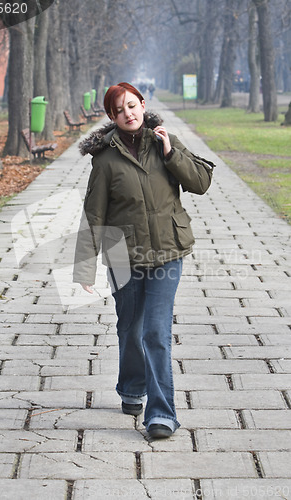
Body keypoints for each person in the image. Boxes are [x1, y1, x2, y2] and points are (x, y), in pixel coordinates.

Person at [73, 82, 215, 440]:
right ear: (111, 116)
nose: (128, 114)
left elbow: (201, 182)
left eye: (132, 106)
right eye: (119, 110)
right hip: (122, 256)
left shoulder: (164, 142)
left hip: (167, 250)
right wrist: (85, 268)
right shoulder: (104, 160)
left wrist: (171, 153)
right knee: (129, 328)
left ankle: (161, 414)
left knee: (155, 331)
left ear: (143, 104)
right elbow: (94, 215)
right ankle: (132, 387)